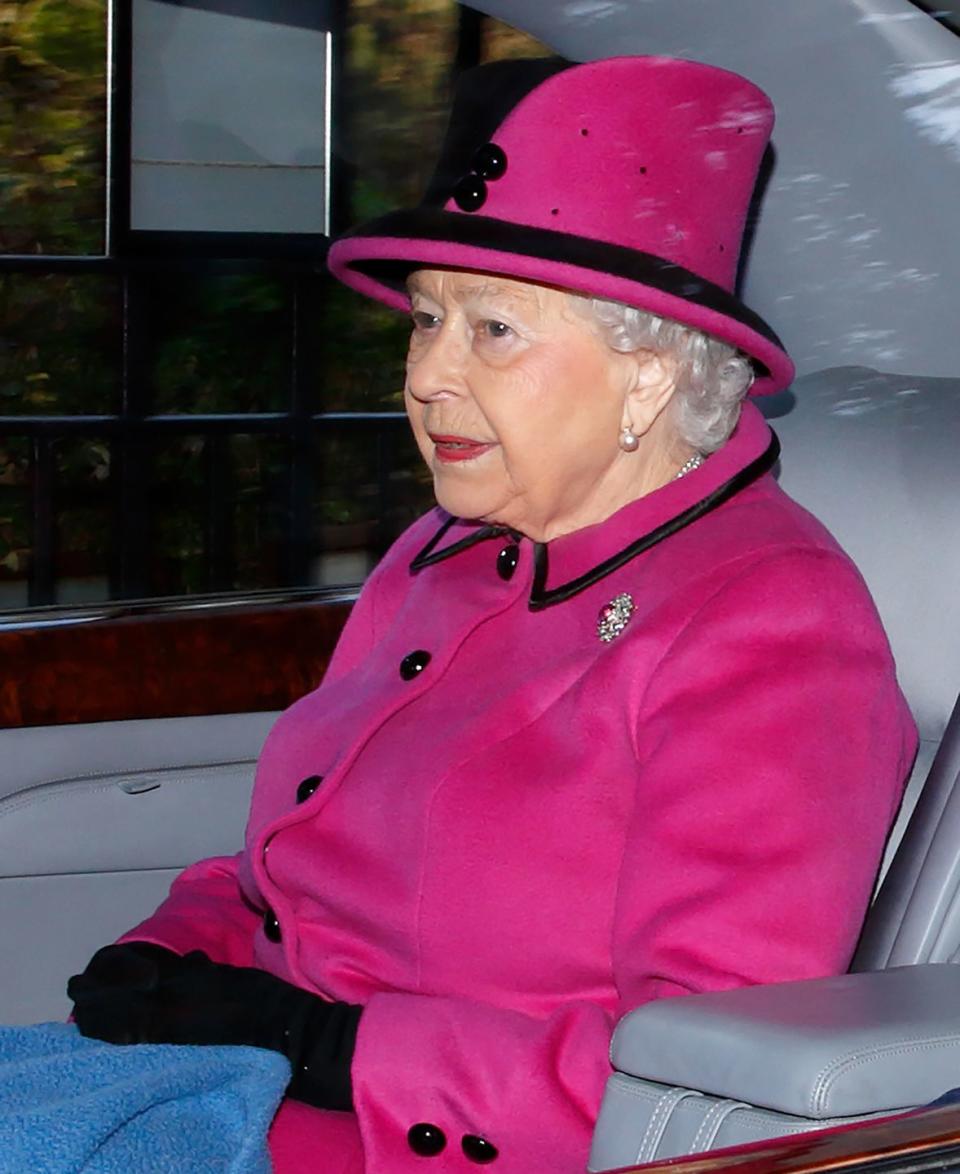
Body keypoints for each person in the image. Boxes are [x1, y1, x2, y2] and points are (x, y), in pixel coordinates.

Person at [67, 56, 917, 1172]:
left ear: (649, 374)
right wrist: (171, 951)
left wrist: (325, 1047)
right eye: (426, 321)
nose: (427, 376)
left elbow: (710, 1083)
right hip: (238, 1100)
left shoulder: (771, 626)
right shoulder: (446, 547)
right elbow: (292, 873)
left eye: (493, 331)